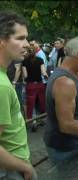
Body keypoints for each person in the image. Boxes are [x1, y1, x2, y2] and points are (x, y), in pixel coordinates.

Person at [0, 10, 37, 180]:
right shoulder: (2, 86)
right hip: (11, 169)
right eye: (20, 38)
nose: (28, 44)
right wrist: (24, 167)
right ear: (2, 41)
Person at [22, 47, 48, 121]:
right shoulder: (40, 60)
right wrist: (47, 77)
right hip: (40, 84)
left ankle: (32, 120)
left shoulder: (24, 61)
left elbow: (25, 75)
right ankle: (43, 117)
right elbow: (43, 73)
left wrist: (25, 79)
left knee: (31, 104)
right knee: (42, 101)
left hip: (30, 85)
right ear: (36, 53)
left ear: (28, 53)